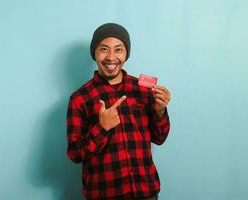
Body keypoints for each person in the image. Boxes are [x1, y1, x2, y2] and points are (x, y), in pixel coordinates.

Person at [66, 23, 171, 200]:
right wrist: (102, 127)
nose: (111, 57)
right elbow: (75, 154)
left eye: (118, 50)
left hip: (146, 192)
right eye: (104, 49)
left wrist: (160, 112)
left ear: (126, 53)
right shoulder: (79, 98)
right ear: (95, 53)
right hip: (104, 193)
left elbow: (159, 138)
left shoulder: (143, 90)